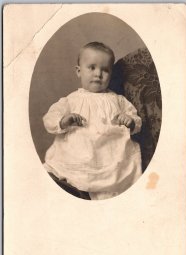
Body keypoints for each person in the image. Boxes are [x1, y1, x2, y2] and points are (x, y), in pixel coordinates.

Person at [43, 42, 142, 200]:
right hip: (78, 155)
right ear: (79, 71)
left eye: (105, 70)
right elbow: (50, 118)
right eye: (92, 67)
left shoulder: (118, 100)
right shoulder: (71, 100)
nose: (98, 74)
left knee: (118, 176)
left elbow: (136, 119)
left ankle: (103, 190)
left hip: (111, 155)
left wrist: (129, 120)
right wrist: (63, 121)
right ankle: (78, 187)